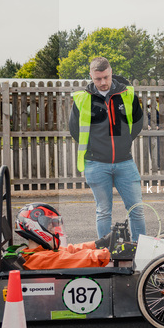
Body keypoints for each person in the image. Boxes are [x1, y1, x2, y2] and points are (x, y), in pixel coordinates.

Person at [69, 57, 147, 242]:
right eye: (98, 79)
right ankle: (105, 253)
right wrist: (94, 149)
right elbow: (74, 130)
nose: (103, 82)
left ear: (111, 72)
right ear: (91, 76)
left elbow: (137, 122)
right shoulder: (82, 99)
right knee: (103, 212)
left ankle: (140, 250)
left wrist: (125, 142)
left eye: (106, 77)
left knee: (137, 209)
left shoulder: (127, 94)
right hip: (96, 163)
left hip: (124, 162)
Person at [15, 203, 112, 270]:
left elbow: (69, 250)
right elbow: (78, 259)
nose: (54, 231)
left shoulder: (36, 253)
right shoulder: (42, 258)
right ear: (35, 226)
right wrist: (109, 254)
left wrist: (100, 243)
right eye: (50, 227)